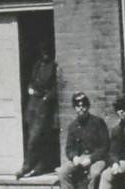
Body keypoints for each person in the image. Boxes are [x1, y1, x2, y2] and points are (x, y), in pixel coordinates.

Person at [17, 44, 59, 177]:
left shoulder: (53, 66)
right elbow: (32, 80)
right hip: (33, 103)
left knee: (36, 136)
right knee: (30, 134)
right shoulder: (38, 65)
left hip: (43, 103)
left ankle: (29, 165)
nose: (45, 54)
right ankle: (36, 164)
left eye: (47, 52)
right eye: (43, 51)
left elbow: (56, 86)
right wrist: (30, 88)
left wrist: (47, 98)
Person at [56, 92, 109, 189]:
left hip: (97, 158)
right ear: (74, 108)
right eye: (77, 106)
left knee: (95, 173)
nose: (81, 108)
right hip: (80, 158)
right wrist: (74, 157)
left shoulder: (98, 122)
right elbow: (69, 148)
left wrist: (91, 159)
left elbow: (105, 147)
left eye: (84, 105)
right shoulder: (73, 126)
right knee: (62, 172)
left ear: (88, 107)